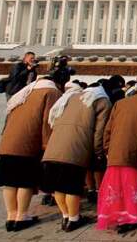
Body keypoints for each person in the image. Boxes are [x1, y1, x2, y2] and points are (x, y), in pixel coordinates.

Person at [0, 67, 68, 232]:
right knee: (24, 181)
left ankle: (11, 216)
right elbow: (49, 120)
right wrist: (47, 145)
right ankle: (22, 216)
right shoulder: (51, 92)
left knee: (9, 181)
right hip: (28, 143)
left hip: (8, 142)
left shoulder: (25, 92)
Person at [96, 68, 137, 234]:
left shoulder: (120, 103)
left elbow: (108, 129)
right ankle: (133, 216)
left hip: (116, 151)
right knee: (134, 185)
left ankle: (119, 215)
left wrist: (107, 148)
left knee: (117, 186)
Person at [41, 81, 111, 232]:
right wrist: (98, 152)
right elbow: (99, 131)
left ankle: (65, 216)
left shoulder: (71, 97)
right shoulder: (102, 101)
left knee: (58, 186)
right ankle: (74, 219)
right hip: (75, 149)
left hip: (54, 147)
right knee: (71, 187)